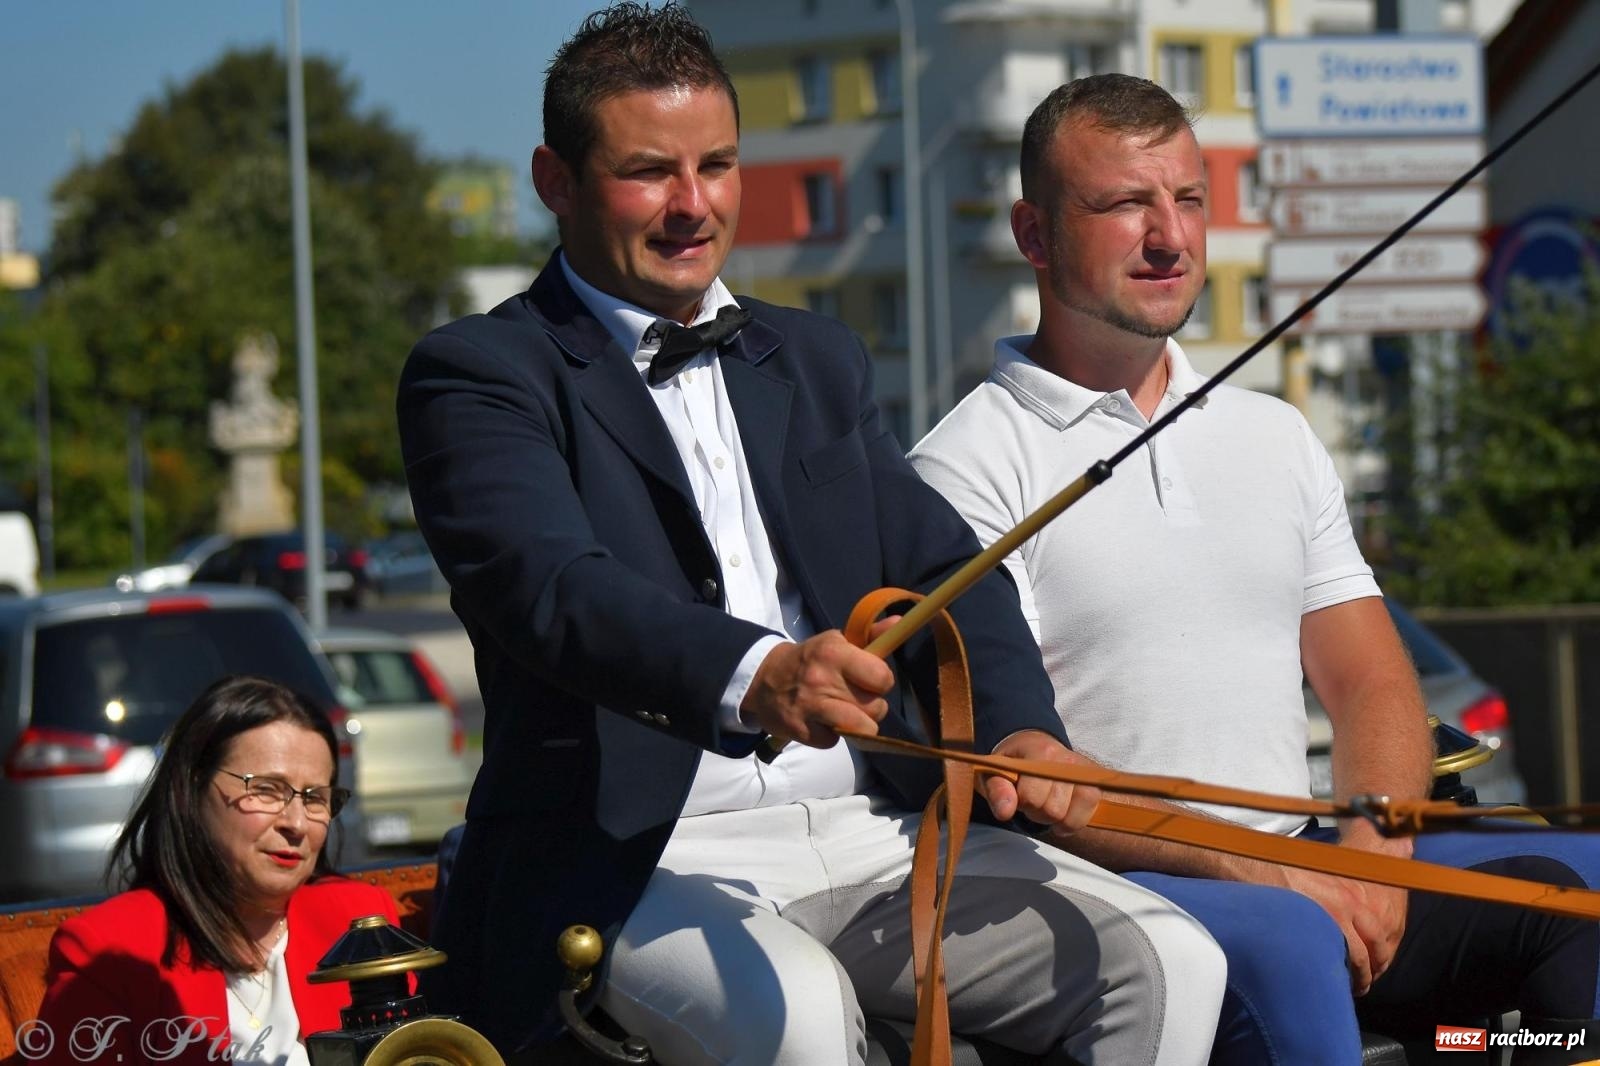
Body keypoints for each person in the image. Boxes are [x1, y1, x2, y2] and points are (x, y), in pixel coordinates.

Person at [397, 5, 1228, 1063]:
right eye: (650, 172)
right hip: (642, 859)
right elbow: (552, 590)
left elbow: (947, 568)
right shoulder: (476, 372)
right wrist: (760, 673)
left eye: (719, 166)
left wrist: (1017, 731)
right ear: (554, 181)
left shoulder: (813, 356)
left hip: (871, 829)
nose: (693, 207)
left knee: (1169, 958)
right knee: (798, 1016)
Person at [910, 72, 1600, 1063]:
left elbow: (1368, 677)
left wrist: (1376, 852)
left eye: (1188, 199)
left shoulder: (1271, 434)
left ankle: (1474, 1047)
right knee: (1291, 945)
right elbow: (1025, 768)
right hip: (1123, 889)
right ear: (1032, 233)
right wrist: (1266, 872)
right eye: (1123, 205)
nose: (1170, 237)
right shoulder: (961, 464)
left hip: (1313, 861)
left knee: (1567, 908)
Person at [32, 676, 397, 1066]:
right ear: (191, 789)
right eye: (267, 790)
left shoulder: (359, 920)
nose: (296, 822)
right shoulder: (110, 949)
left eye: (315, 798)